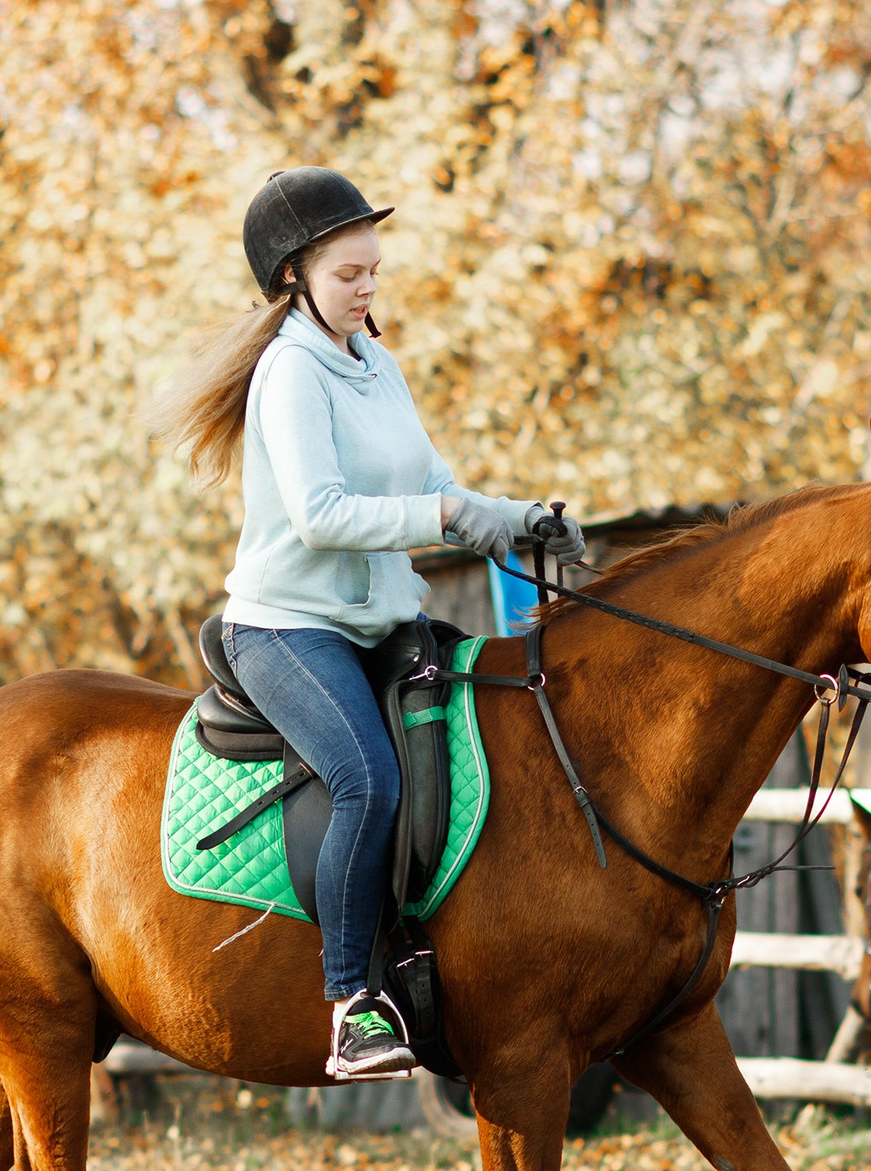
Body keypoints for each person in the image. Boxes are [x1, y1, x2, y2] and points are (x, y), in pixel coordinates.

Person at [148, 166, 583, 1080]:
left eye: (373, 272)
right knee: (368, 781)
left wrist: (517, 517)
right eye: (349, 274)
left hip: (381, 622)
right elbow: (322, 515)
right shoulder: (288, 374)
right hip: (289, 630)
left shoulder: (373, 362)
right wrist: (444, 521)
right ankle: (352, 1001)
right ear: (293, 278)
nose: (367, 288)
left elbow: (434, 486)